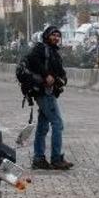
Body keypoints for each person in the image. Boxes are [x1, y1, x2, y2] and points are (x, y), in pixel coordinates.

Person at [25, 25, 72, 170]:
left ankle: (39, 159)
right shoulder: (41, 48)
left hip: (50, 92)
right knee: (58, 123)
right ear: (46, 36)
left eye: (58, 36)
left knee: (43, 125)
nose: (56, 38)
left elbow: (59, 71)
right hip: (44, 92)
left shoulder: (53, 52)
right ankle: (56, 159)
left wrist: (62, 79)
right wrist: (46, 75)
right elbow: (32, 60)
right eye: (53, 35)